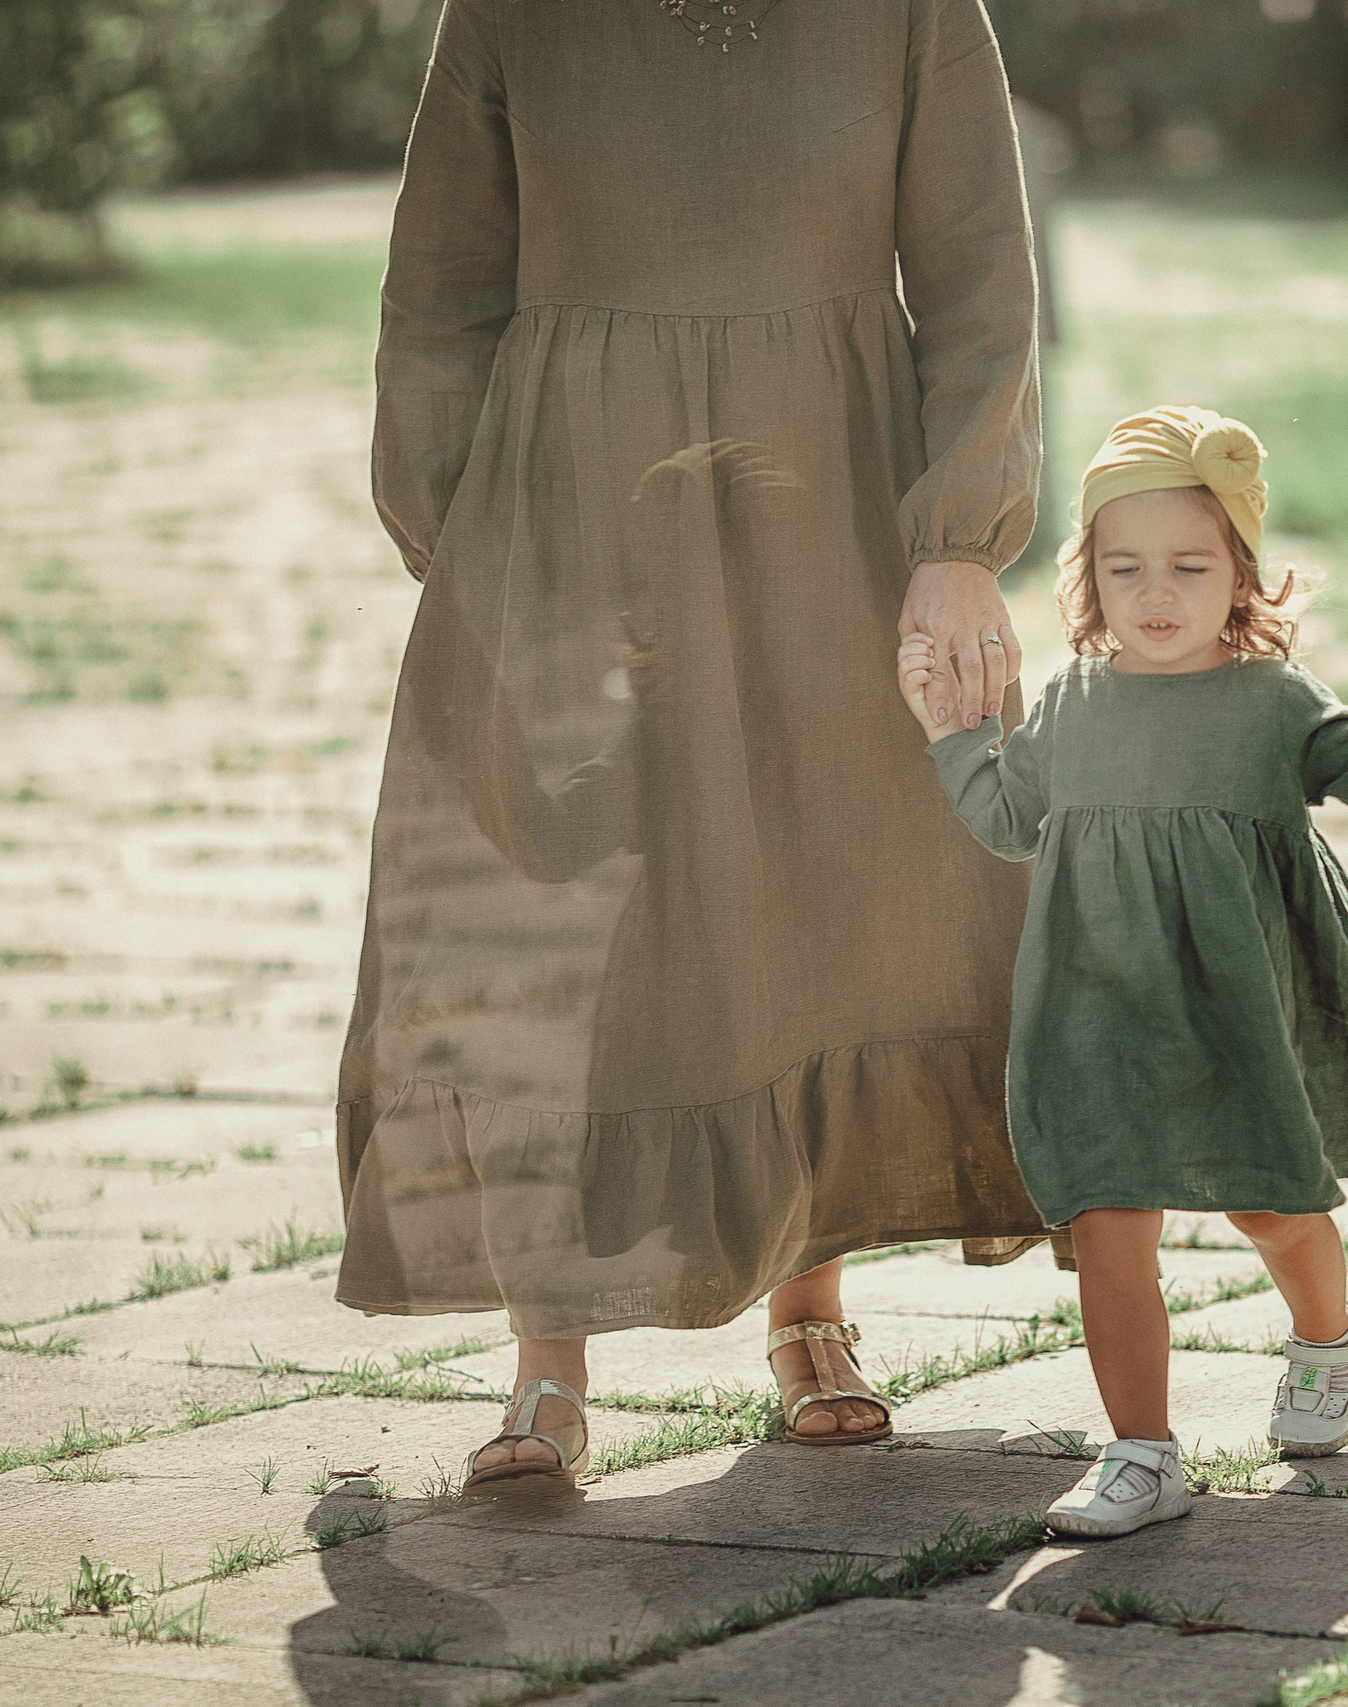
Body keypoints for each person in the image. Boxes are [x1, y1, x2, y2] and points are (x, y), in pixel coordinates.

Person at [339, 0, 1061, 1487]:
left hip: (836, 500)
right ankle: (549, 1365)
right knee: (572, 906)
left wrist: (959, 536)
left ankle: (814, 1316)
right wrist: (462, 530)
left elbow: (984, 265)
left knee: (826, 880)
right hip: (573, 502)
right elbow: (440, 278)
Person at [906, 408, 1348, 1536]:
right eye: (1123, 567)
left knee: (1270, 1207)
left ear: (1241, 576)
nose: (1154, 591)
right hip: (1093, 1009)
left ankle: (1327, 1337)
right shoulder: (1071, 703)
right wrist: (949, 738)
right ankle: (1142, 1452)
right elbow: (1007, 822)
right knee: (1108, 1225)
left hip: (1234, 1010)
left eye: (1188, 564)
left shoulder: (1273, 703)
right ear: (1088, 578)